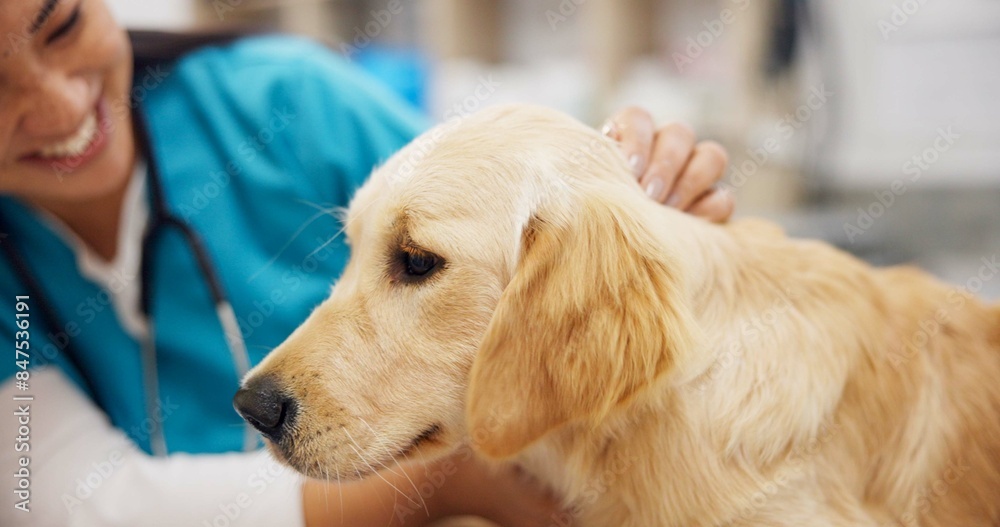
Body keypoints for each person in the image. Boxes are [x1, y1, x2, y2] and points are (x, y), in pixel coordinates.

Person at [0, 0, 733, 525]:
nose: (58, 105)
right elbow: (62, 500)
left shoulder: (286, 102)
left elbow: (511, 233)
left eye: (61, 27)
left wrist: (643, 223)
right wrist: (450, 483)